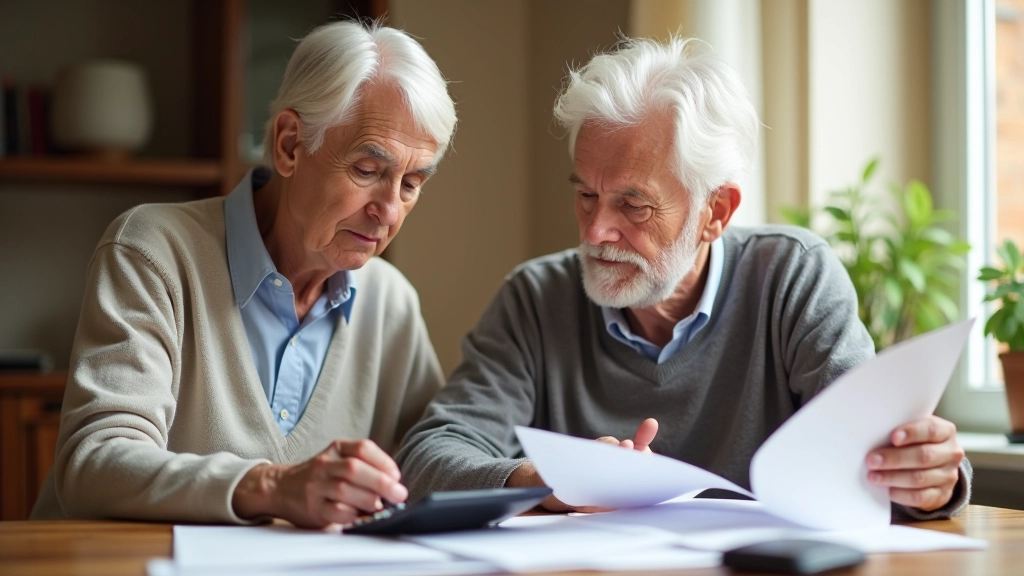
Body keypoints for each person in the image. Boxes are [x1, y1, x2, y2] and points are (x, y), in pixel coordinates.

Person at [397, 36, 971, 519]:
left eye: (634, 205)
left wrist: (932, 476)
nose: (597, 231)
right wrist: (547, 478)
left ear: (714, 212)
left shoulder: (790, 277)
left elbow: (878, 448)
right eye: (586, 195)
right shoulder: (536, 298)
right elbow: (427, 455)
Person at [31, 21, 457, 527]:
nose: (388, 211)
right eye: (367, 171)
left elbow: (432, 460)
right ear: (289, 145)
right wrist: (272, 486)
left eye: (411, 184)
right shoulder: (151, 251)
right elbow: (94, 464)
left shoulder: (391, 303)